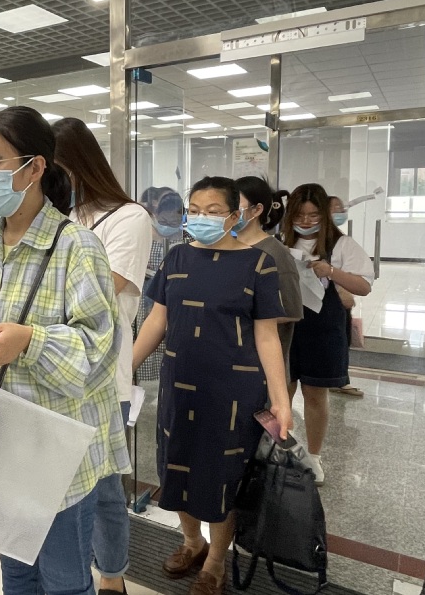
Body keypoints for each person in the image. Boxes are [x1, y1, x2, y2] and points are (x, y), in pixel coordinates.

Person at [0, 106, 129, 595]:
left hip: (55, 443)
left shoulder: (76, 246)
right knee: (16, 570)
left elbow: (99, 348)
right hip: (2, 434)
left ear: (35, 167)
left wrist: (31, 341)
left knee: (64, 580)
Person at [132, 176, 292, 595]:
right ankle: (192, 542)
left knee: (222, 476)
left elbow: (267, 337)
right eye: (194, 211)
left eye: (213, 211)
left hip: (233, 392)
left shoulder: (259, 264)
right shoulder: (177, 257)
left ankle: (216, 562)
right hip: (179, 384)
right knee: (176, 466)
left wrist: (281, 401)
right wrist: (124, 368)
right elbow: (157, 320)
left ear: (235, 217)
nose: (200, 218)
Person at [53, 117, 151, 595]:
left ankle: (111, 576)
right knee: (68, 484)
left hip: (102, 374)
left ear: (75, 165)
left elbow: (101, 294)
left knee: (103, 486)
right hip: (54, 368)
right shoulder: (63, 217)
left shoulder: (129, 218)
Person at [283, 184, 373, 484]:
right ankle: (281, 450)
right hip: (285, 327)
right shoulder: (280, 242)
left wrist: (331, 272)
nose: (306, 221)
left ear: (325, 215)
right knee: (281, 391)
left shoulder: (342, 244)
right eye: (299, 215)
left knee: (315, 394)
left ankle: (314, 456)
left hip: (323, 330)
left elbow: (364, 286)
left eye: (313, 215)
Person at [234, 176, 303, 366]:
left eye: (236, 205)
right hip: (229, 357)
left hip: (261, 364)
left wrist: (240, 315)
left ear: (257, 210)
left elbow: (292, 311)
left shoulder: (275, 253)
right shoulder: (226, 248)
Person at [133, 187, 187, 383]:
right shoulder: (142, 239)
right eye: (164, 221)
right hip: (143, 306)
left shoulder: (184, 243)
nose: (168, 227)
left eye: (174, 222)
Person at [327, 195, 365, 397]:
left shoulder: (341, 239)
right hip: (332, 299)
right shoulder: (323, 240)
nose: (340, 212)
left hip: (342, 298)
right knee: (337, 340)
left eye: (341, 208)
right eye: (335, 208)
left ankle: (340, 379)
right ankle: (338, 379)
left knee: (343, 339)